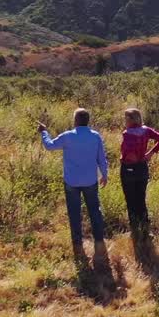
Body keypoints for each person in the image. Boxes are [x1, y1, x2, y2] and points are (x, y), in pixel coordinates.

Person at [39, 108, 108, 258]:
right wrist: (104, 175)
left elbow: (49, 146)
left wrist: (44, 132)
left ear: (75, 120)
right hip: (90, 180)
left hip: (72, 181)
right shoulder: (95, 136)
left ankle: (77, 244)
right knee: (95, 211)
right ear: (87, 120)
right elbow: (101, 158)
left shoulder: (68, 136)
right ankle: (99, 241)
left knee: (74, 213)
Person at [119, 108, 159, 241]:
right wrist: (150, 153)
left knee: (131, 201)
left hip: (129, 169)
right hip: (142, 168)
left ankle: (135, 232)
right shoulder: (146, 130)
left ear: (130, 119)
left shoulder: (127, 133)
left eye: (125, 119)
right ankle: (146, 231)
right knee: (141, 199)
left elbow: (127, 152)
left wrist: (125, 158)